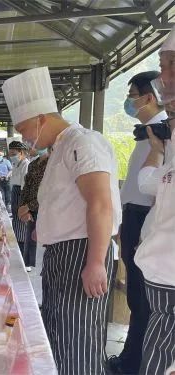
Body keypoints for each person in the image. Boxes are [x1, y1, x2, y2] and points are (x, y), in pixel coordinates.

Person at [2, 66, 121, 374]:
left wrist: (95, 262)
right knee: (57, 330)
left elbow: (100, 204)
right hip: (61, 253)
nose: (24, 137)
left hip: (81, 251)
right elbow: (63, 202)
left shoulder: (84, 142)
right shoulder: (59, 148)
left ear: (41, 118)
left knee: (77, 337)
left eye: (24, 129)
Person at [106, 70, 167, 375]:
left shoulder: (163, 135)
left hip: (147, 221)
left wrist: (147, 230)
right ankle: (129, 358)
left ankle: (133, 364)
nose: (129, 102)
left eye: (131, 96)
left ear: (148, 97)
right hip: (134, 218)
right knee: (135, 296)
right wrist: (122, 226)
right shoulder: (148, 133)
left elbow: (160, 190)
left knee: (143, 300)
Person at [133, 28, 175, 375]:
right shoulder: (159, 133)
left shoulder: (164, 131)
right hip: (156, 252)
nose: (165, 77)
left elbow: (150, 183)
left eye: (170, 66)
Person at [18, 148, 50, 272]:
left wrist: (29, 206)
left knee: (45, 239)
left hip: (44, 207)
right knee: (30, 236)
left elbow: (48, 192)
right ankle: (28, 263)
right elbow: (26, 187)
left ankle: (46, 267)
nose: (31, 147)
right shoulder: (33, 164)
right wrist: (23, 207)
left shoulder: (52, 163)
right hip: (29, 205)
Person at [8, 141, 30, 253]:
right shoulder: (16, 164)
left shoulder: (26, 164)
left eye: (13, 154)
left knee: (21, 225)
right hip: (15, 192)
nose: (12, 157)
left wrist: (23, 204)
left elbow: (25, 188)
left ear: (21, 153)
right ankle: (18, 250)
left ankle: (22, 253)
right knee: (16, 224)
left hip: (21, 195)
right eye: (10, 154)